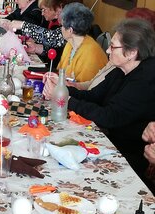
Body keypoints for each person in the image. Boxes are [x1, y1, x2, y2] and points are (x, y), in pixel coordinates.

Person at [43, 18, 155, 183]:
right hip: (107, 140)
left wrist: (64, 99)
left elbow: (109, 116)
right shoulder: (121, 68)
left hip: (127, 155)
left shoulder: (145, 79)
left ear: (132, 52)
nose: (108, 51)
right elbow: (94, 96)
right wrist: (62, 88)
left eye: (113, 46)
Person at [1, 0, 70, 68]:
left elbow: (53, 38)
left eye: (44, 10)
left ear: (59, 8)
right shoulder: (54, 22)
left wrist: (23, 25)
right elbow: (57, 48)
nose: (42, 13)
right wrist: (36, 48)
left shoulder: (68, 26)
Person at [56, 2, 108, 82]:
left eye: (62, 26)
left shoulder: (91, 54)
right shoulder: (70, 44)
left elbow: (83, 88)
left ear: (70, 30)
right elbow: (59, 71)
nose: (61, 28)